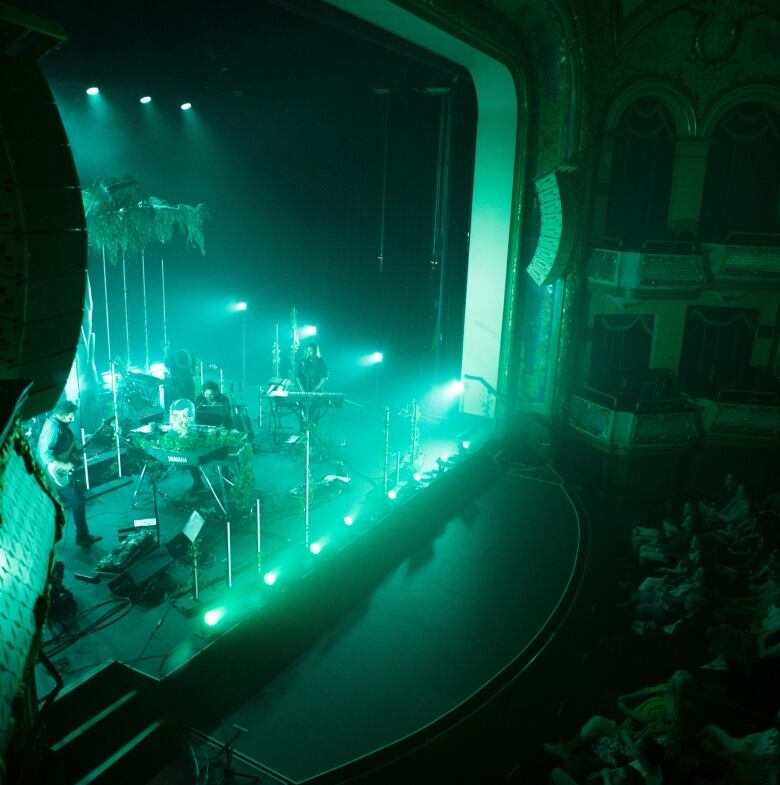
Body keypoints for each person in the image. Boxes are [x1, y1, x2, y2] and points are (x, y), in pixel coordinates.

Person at [37, 400, 102, 547]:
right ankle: (82, 537)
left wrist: (76, 448)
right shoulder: (53, 428)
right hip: (52, 473)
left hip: (54, 473)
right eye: (70, 416)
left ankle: (79, 537)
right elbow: (45, 455)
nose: (72, 419)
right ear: (61, 414)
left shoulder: (61, 425)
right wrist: (64, 464)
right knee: (77, 500)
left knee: (68, 502)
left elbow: (66, 445)